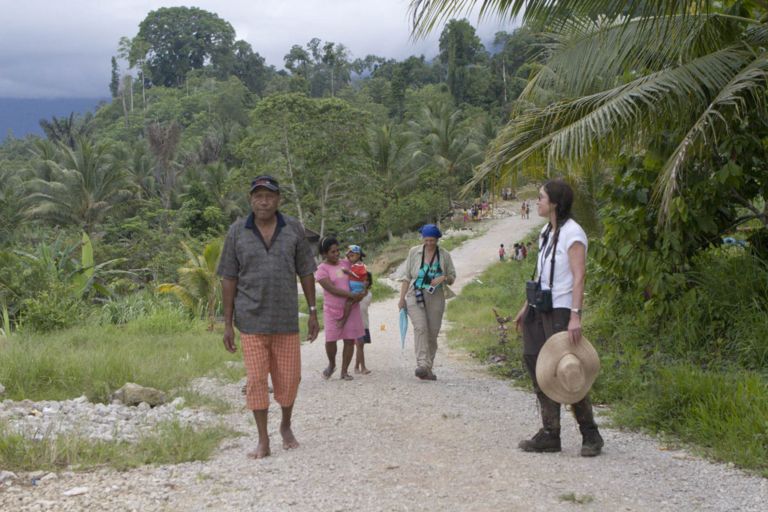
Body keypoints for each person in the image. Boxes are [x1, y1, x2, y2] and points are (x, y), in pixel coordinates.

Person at [217, 175, 319, 460]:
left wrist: (312, 311)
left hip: (286, 319)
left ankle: (285, 424)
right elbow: (228, 277)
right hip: (250, 321)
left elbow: (306, 271)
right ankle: (263, 439)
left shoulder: (293, 230)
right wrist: (227, 323)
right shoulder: (237, 231)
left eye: (269, 196)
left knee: (289, 380)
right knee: (256, 380)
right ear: (251, 199)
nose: (264, 201)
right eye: (258, 196)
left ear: (278, 200)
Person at [513, 179, 604, 457]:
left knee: (567, 367)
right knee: (537, 364)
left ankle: (590, 433)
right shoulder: (545, 232)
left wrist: (575, 315)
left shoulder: (573, 234)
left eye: (541, 198)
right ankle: (550, 432)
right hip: (540, 306)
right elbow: (541, 276)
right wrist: (525, 306)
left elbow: (579, 277)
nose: (537, 201)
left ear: (554, 203)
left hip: (562, 309)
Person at [398, 224, 457, 381]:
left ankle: (428, 368)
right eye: (427, 240)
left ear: (437, 239)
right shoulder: (414, 252)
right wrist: (401, 298)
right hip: (415, 294)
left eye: (432, 240)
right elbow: (406, 277)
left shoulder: (444, 255)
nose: (429, 243)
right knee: (420, 328)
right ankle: (422, 364)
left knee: (432, 332)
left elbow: (452, 277)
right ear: (423, 239)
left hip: (436, 296)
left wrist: (444, 277)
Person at [315, 237, 366, 381]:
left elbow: (359, 274)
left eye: (338, 250)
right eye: (332, 252)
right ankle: (332, 364)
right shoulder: (321, 270)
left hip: (352, 307)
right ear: (325, 254)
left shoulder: (346, 263)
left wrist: (363, 289)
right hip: (332, 309)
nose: (337, 254)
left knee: (349, 340)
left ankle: (344, 371)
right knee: (330, 339)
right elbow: (331, 289)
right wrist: (351, 294)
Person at [338, 245, 367, 327]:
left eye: (352, 256)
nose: (349, 258)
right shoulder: (354, 264)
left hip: (357, 290)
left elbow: (358, 276)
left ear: (358, 255)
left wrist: (348, 272)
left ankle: (344, 320)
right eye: (348, 256)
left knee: (348, 303)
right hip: (355, 289)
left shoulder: (360, 265)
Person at [354, 272, 374, 375]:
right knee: (360, 344)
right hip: (355, 323)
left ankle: (356, 366)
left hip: (365, 322)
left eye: (367, 280)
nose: (365, 282)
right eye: (362, 280)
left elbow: (365, 307)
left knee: (360, 346)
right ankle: (363, 367)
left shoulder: (369, 294)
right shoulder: (354, 293)